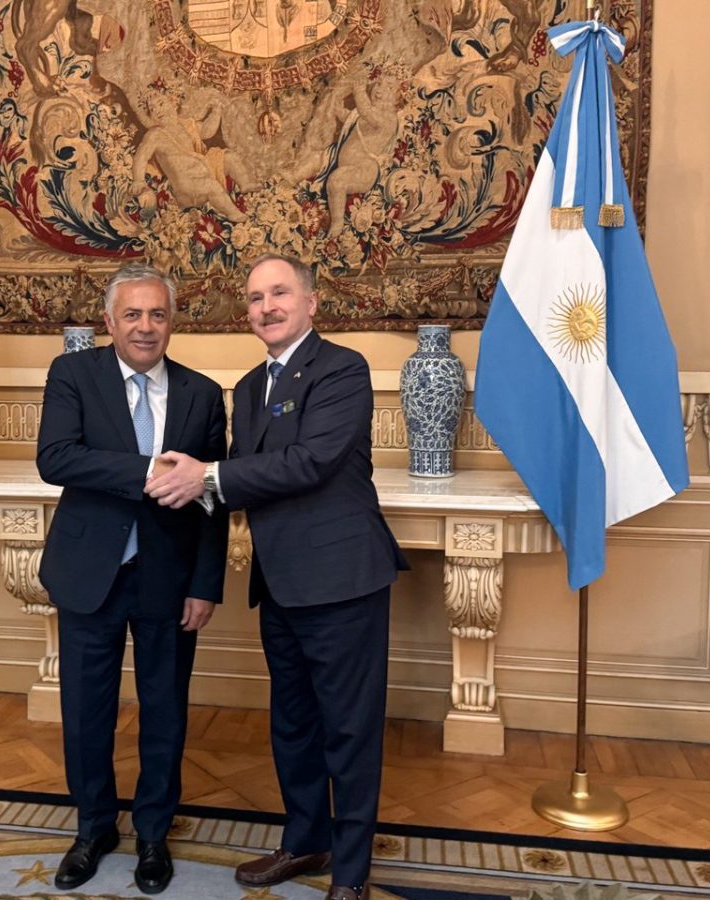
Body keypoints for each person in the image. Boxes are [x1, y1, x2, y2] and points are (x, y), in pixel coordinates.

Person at [146, 253, 408, 900]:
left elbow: (310, 462)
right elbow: (241, 482)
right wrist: (180, 482)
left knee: (349, 730)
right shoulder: (246, 388)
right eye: (256, 298)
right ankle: (305, 840)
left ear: (311, 302)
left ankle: (351, 873)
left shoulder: (343, 369)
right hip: (280, 583)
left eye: (280, 293)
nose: (267, 307)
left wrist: (207, 475)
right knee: (292, 725)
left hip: (343, 581)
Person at [37, 263, 228, 894]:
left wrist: (205, 583)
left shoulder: (203, 393)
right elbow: (55, 458)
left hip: (169, 579)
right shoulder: (73, 374)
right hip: (90, 573)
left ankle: (152, 834)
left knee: (165, 709)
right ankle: (93, 829)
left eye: (158, 314)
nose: (146, 327)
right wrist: (150, 470)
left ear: (172, 322)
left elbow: (212, 498)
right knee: (85, 711)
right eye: (133, 314)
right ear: (109, 321)